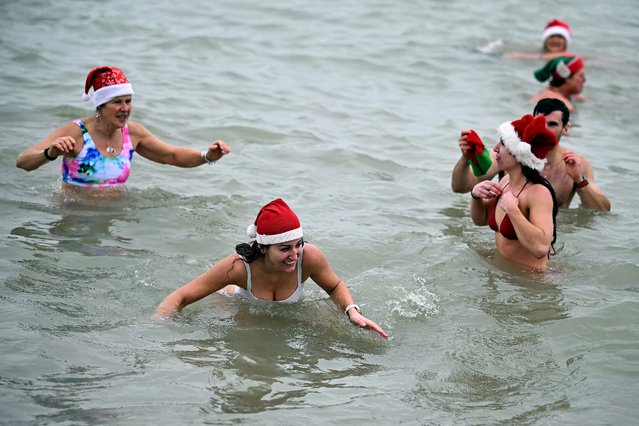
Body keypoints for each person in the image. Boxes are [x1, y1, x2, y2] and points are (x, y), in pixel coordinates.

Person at [155, 198, 389, 339]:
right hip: (238, 305)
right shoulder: (237, 267)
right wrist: (158, 329)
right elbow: (181, 296)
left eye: (298, 245)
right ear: (264, 248)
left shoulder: (309, 257)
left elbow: (335, 285)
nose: (294, 255)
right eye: (285, 249)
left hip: (286, 312)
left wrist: (352, 311)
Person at [16, 66, 230, 191]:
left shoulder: (132, 133)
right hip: (73, 216)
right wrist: (50, 153)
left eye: (128, 101)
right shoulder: (77, 132)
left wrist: (207, 156)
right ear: (100, 105)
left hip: (112, 219)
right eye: (117, 102)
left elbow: (172, 156)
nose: (125, 109)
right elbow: (23, 162)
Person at [452, 98, 610, 212]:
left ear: (566, 129)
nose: (545, 129)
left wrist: (579, 181)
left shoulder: (576, 163)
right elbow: (460, 187)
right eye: (540, 122)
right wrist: (465, 159)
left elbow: (602, 210)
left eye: (553, 124)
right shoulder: (509, 154)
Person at [470, 114, 559, 270]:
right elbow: (481, 220)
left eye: (503, 143)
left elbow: (540, 248)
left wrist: (513, 210)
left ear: (519, 154)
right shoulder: (506, 181)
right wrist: (475, 196)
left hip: (532, 282)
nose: (495, 148)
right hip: (506, 276)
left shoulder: (538, 193)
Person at [505, 19, 574, 61]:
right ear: (545, 41)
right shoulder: (535, 53)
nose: (555, 40)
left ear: (565, 42)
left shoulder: (570, 58)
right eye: (551, 37)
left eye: (559, 37)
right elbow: (510, 56)